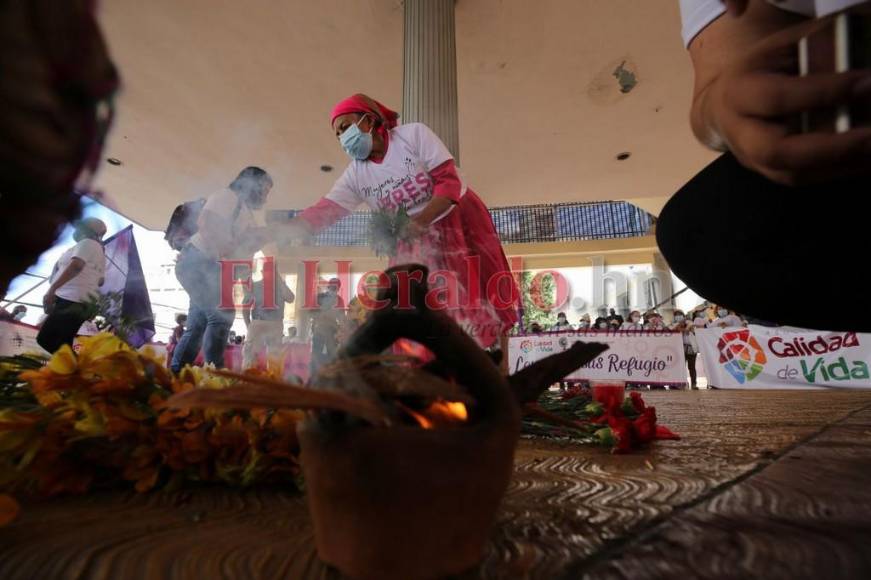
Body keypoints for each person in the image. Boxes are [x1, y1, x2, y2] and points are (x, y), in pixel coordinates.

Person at [290, 94, 520, 348]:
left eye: (346, 127)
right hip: (413, 238)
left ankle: (500, 370)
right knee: (412, 304)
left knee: (483, 292)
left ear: (368, 120)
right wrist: (279, 230)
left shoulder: (412, 136)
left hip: (458, 219)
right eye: (338, 134)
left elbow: (449, 181)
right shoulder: (355, 174)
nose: (343, 138)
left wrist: (421, 221)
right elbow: (325, 210)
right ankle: (433, 373)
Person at [170, 167, 279, 373]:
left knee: (197, 326)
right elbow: (206, 223)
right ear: (250, 183)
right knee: (223, 313)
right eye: (264, 189)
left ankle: (176, 375)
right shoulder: (227, 196)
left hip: (207, 268)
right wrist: (227, 251)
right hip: (199, 263)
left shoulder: (244, 211)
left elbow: (243, 244)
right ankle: (216, 374)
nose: (265, 195)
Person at [36, 218, 107, 353]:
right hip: (77, 301)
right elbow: (100, 280)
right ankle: (75, 372)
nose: (76, 229)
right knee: (62, 343)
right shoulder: (96, 248)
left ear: (87, 230)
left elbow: (76, 266)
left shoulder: (88, 243)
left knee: (48, 340)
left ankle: (78, 371)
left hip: (71, 300)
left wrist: (52, 290)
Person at [241, 265, 295, 370]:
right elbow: (245, 308)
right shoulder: (255, 286)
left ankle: (272, 381)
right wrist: (250, 326)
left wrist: (278, 278)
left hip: (275, 324)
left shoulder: (280, 286)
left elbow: (290, 298)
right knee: (250, 355)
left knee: (274, 358)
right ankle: (247, 381)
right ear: (262, 272)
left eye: (272, 272)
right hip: (259, 322)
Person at [310, 278, 346, 373]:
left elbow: (342, 318)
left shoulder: (338, 300)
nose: (333, 289)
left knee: (329, 355)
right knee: (319, 354)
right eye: (332, 287)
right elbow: (312, 313)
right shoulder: (320, 297)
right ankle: (317, 375)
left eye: (335, 287)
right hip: (322, 329)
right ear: (328, 286)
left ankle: (326, 376)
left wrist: (341, 331)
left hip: (330, 330)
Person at [670, 310, 700, 389]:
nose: (678, 316)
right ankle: (682, 383)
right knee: (681, 367)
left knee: (692, 367)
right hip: (680, 349)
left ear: (683, 316)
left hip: (691, 348)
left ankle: (694, 384)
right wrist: (681, 328)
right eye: (676, 315)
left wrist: (686, 328)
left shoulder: (689, 322)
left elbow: (691, 326)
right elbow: (672, 329)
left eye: (680, 314)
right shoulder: (673, 324)